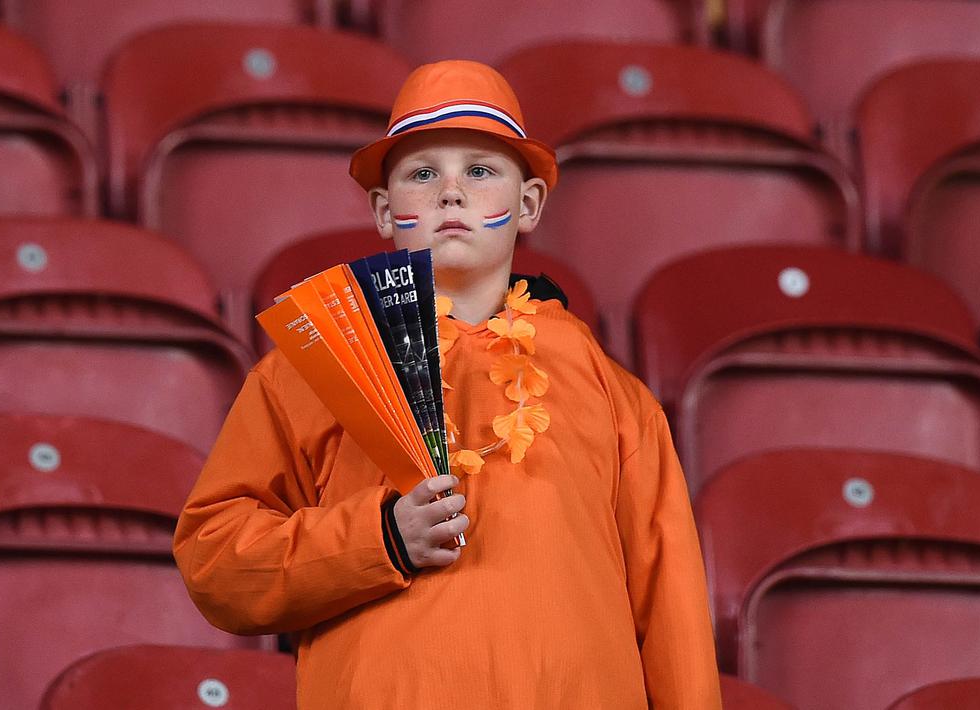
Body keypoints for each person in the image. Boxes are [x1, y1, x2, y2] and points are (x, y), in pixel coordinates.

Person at [173, 60, 722, 709]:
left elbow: (672, 617)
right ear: (384, 209)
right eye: (422, 172)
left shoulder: (613, 393)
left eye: (480, 170)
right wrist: (377, 540)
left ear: (527, 205)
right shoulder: (313, 368)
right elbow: (213, 561)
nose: (450, 192)